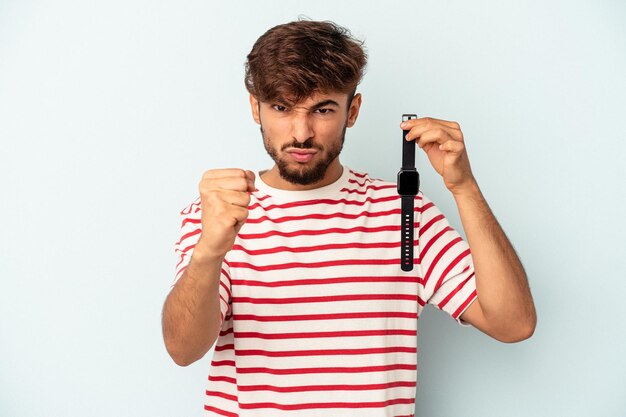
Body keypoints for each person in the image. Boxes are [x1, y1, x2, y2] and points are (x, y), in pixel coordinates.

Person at [162, 19, 536, 417]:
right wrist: (209, 252)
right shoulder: (217, 215)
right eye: (282, 107)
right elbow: (183, 349)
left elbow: (512, 324)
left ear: (352, 110)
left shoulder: (405, 211)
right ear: (255, 107)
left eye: (322, 109)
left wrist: (464, 187)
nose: (301, 133)